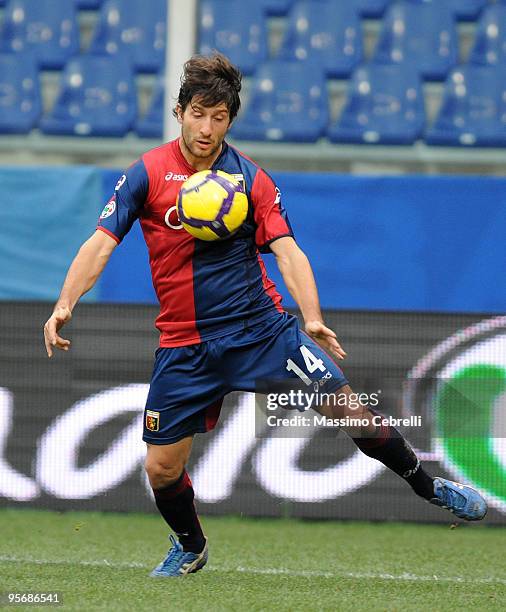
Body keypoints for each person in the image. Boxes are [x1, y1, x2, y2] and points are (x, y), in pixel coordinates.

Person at [43, 53, 487, 578]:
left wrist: (312, 315)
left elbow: (288, 250)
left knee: (350, 410)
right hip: (185, 345)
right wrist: (65, 303)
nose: (207, 129)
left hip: (261, 330)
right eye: (198, 115)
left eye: (219, 118)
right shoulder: (146, 174)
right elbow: (101, 242)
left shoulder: (251, 180)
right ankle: (190, 544)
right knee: (161, 470)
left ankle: (428, 485)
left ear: (230, 120)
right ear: (180, 112)